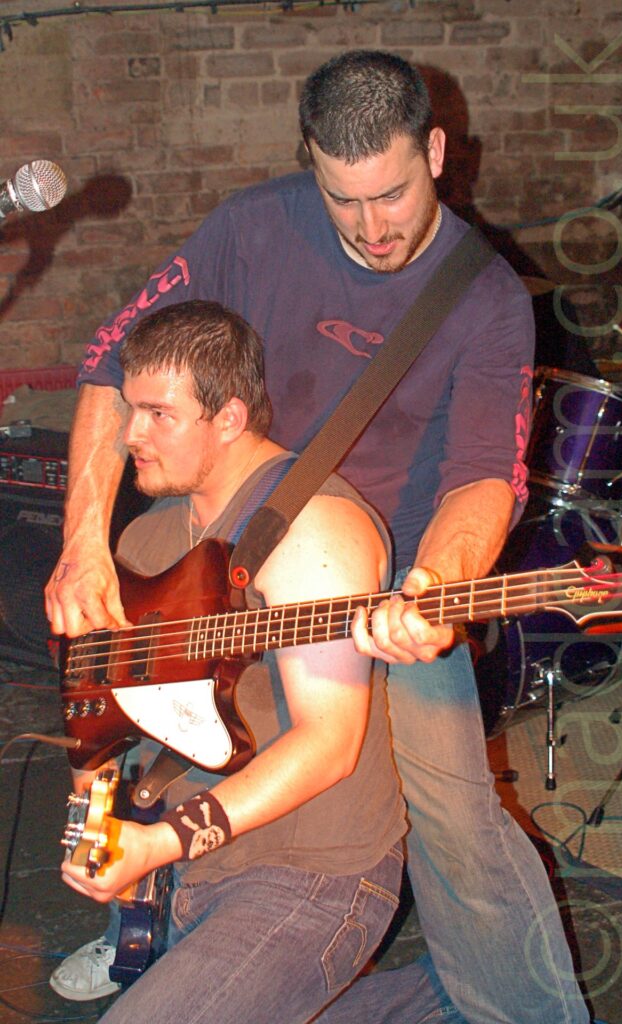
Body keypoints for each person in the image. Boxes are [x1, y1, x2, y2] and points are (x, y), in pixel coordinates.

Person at [47, 51, 589, 1023]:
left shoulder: (486, 295)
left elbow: (483, 474)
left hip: (380, 588)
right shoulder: (252, 225)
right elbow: (108, 358)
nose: (373, 228)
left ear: (434, 151)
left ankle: (527, 1009)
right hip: (234, 542)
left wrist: (440, 579)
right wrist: (85, 539)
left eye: (391, 194)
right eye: (344, 201)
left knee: (456, 817)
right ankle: (151, 921)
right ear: (310, 165)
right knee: (157, 735)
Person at [56, 299, 407, 1023]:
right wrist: (93, 803)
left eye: (158, 415)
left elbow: (329, 745)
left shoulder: (313, 529)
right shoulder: (150, 544)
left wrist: (157, 843)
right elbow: (99, 703)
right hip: (193, 871)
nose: (130, 436)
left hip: (313, 878)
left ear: (230, 419)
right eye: (129, 410)